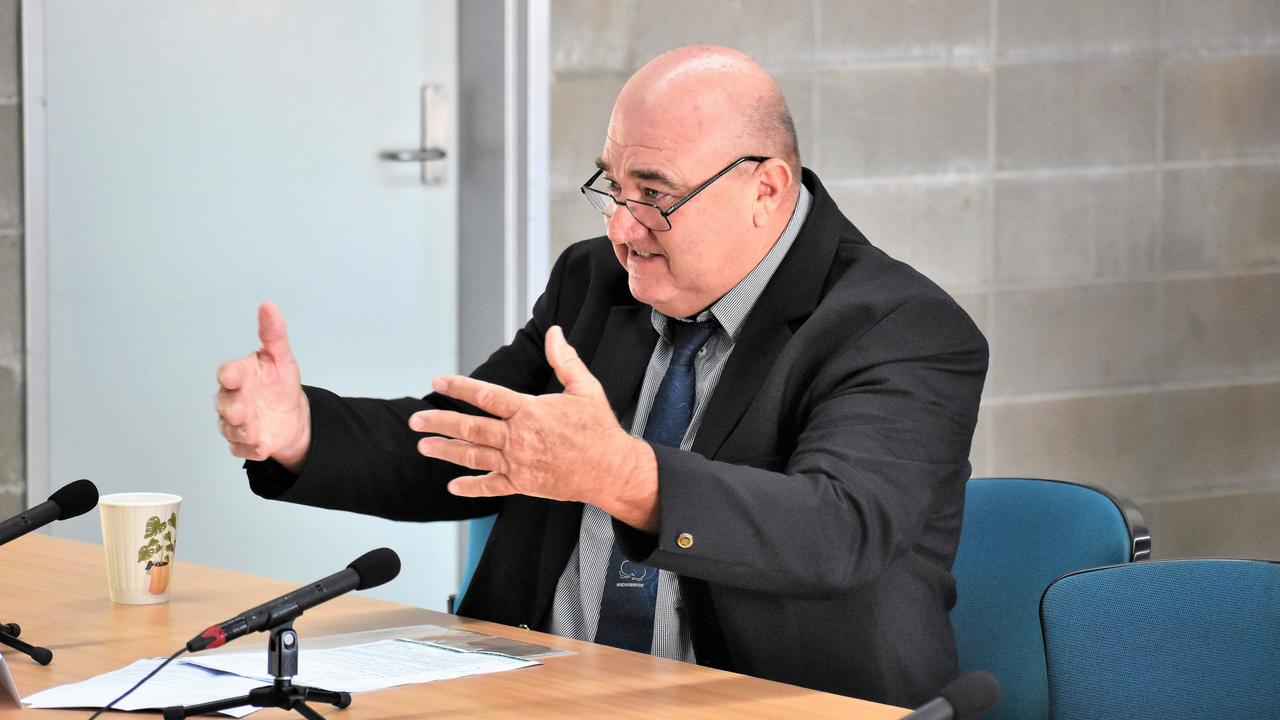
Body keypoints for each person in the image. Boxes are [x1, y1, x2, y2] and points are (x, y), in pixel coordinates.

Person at [215, 45, 987, 707]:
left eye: (655, 195)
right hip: (541, 693)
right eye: (612, 186)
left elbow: (835, 530)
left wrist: (625, 476)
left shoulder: (901, 327)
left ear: (767, 189)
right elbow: (468, 441)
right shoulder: (594, 283)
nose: (620, 227)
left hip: (768, 703)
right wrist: (298, 431)